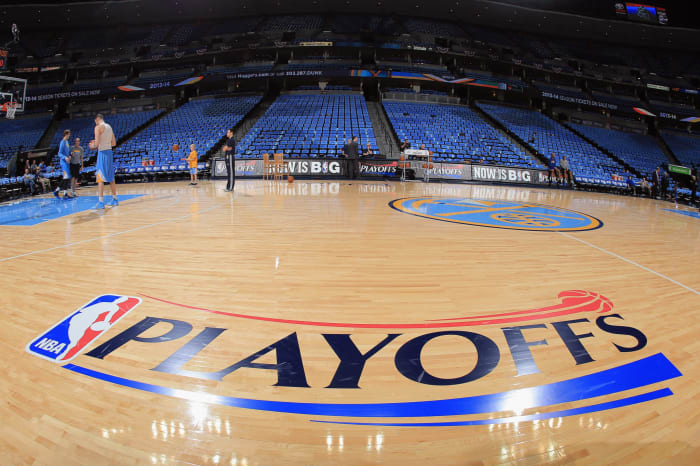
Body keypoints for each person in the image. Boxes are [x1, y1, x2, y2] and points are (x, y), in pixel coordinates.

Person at [91, 114, 117, 209]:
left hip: (102, 153)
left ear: (97, 119)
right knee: (111, 177)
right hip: (109, 152)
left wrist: (92, 145)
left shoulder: (98, 127)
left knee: (100, 177)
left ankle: (101, 202)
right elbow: (114, 143)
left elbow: (97, 144)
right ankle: (115, 199)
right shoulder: (109, 127)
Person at [54, 129, 74, 199]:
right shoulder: (62, 142)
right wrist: (65, 157)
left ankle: (61, 192)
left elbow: (67, 152)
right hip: (64, 163)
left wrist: (70, 154)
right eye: (69, 134)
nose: (70, 135)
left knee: (67, 178)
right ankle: (59, 191)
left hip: (67, 163)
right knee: (66, 178)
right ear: (66, 134)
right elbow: (59, 153)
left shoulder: (67, 142)